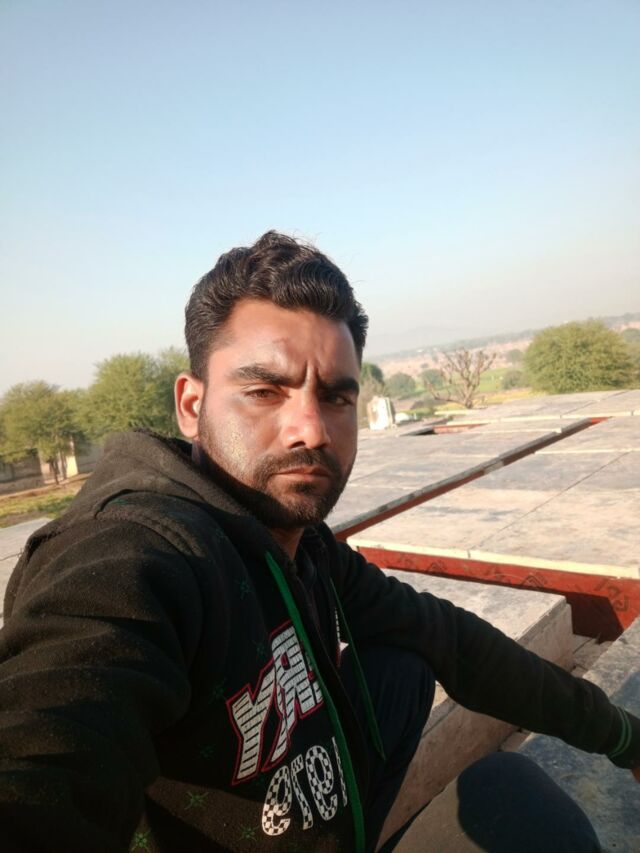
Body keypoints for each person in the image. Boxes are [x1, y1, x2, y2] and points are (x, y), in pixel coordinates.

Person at [0, 231, 638, 853]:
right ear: (191, 406)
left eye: (334, 397)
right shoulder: (136, 557)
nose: (310, 429)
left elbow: (447, 637)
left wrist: (622, 737)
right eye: (263, 392)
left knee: (407, 665)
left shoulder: (302, 546)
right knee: (516, 795)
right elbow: (49, 745)